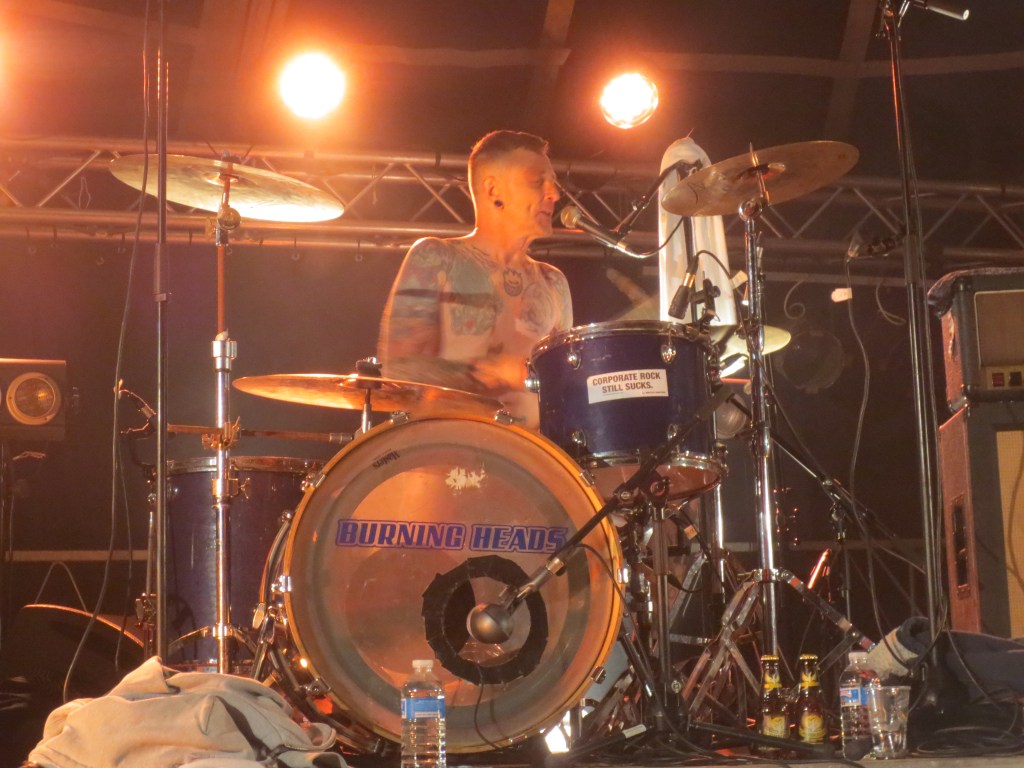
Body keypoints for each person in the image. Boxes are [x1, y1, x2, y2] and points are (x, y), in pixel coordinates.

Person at [377, 130, 571, 428]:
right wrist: (492, 373)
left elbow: (568, 381)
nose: (554, 194)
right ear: (493, 190)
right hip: (447, 447)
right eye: (537, 181)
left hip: (532, 453)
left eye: (554, 183)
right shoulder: (435, 258)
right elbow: (396, 371)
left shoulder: (554, 282)